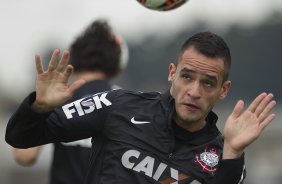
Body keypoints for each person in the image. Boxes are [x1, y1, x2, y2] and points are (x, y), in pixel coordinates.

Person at [6, 32, 276, 184]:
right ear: (172, 73)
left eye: (208, 83)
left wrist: (233, 152)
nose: (194, 91)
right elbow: (20, 137)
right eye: (187, 76)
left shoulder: (223, 156)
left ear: (223, 91)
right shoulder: (118, 105)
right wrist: (38, 107)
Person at [12, 19, 129, 184]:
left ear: (73, 60)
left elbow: (25, 156)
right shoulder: (125, 101)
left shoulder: (56, 100)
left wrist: (39, 108)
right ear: (117, 65)